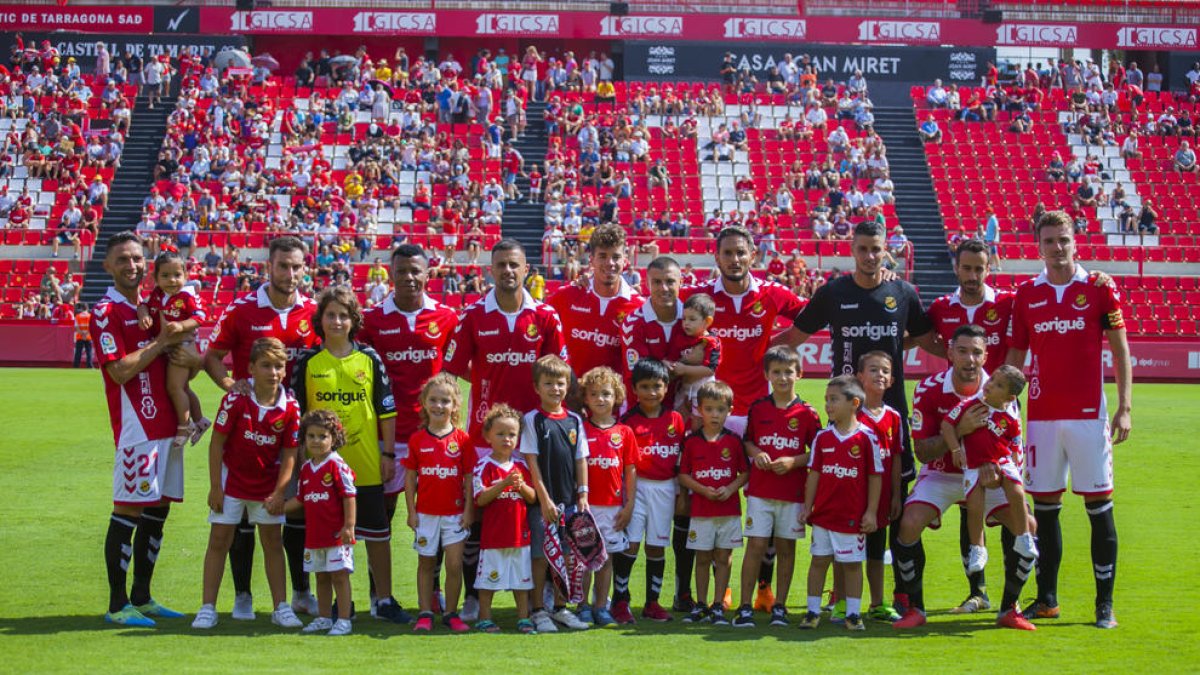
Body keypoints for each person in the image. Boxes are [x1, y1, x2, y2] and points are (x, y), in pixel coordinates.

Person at [1005, 210, 1131, 629]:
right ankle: (1047, 600)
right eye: (1049, 241)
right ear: (1037, 246)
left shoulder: (1098, 288)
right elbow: (1016, 359)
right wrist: (1005, 406)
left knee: (1099, 508)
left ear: (1075, 242)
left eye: (1063, 240)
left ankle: (1104, 605)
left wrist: (1125, 406)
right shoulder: (1026, 295)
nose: (1057, 248)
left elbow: (1119, 350)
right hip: (1041, 419)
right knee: (1045, 510)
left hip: (1087, 419)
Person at [443, 239, 566, 620]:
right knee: (477, 519)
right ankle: (471, 597)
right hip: (484, 436)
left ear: (527, 268)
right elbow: (453, 367)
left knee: (533, 517)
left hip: (532, 436)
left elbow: (560, 372)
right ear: (490, 270)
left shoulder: (545, 316)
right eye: (501, 265)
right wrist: (482, 381)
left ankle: (539, 598)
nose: (508, 271)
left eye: (514, 265)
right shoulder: (474, 315)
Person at [892, 325, 1038, 631]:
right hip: (944, 473)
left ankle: (1009, 608)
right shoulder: (929, 389)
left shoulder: (1005, 390)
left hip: (989, 476)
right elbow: (922, 452)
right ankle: (915, 608)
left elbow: (1015, 450)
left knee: (1028, 524)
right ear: (949, 353)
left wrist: (996, 471)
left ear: (985, 356)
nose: (969, 359)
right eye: (962, 351)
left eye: (976, 352)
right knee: (908, 524)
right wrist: (958, 432)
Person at [777, 221, 939, 492]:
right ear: (852, 250)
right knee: (845, 485)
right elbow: (794, 337)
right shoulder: (832, 293)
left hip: (892, 406)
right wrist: (748, 351)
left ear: (885, 250)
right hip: (845, 407)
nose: (869, 256)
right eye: (863, 249)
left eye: (876, 249)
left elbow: (926, 341)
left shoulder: (902, 293)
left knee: (897, 489)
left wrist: (974, 358)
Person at [205, 236, 319, 619]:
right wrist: (230, 386)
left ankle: (300, 591)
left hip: (297, 433)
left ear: (305, 269)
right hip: (248, 434)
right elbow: (212, 358)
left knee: (292, 512)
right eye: (283, 265)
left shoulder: (315, 313)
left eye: (297, 267)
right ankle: (242, 594)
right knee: (240, 518)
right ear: (268, 266)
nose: (290, 273)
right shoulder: (242, 311)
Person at [292, 286, 409, 624]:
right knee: (327, 536)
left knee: (377, 534)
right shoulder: (309, 361)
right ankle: (338, 607)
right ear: (321, 320)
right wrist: (302, 462)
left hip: (367, 462)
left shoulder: (369, 358)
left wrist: (388, 454)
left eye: (343, 315)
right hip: (321, 466)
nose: (337, 321)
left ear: (353, 320)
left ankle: (384, 600)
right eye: (330, 315)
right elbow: (299, 415)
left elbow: (386, 411)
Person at [93, 231, 192, 627]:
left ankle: (143, 597)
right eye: (122, 260)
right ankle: (118, 605)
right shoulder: (106, 311)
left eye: (136, 258)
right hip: (137, 425)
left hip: (168, 422)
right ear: (108, 266)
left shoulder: (154, 305)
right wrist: (161, 341)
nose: (131, 266)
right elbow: (118, 371)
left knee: (158, 511)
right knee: (128, 510)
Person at [358, 244, 458, 612]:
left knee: (432, 518)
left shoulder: (446, 317)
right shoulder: (372, 320)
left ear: (427, 273)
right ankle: (377, 595)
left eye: (416, 271)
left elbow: (458, 370)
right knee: (379, 519)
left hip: (430, 438)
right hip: (384, 439)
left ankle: (432, 594)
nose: (409, 278)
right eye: (402, 271)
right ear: (390, 272)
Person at [192, 338, 303, 630]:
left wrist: (280, 492)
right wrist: (215, 486)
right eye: (265, 365)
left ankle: (281, 607)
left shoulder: (290, 406)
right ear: (251, 368)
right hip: (232, 481)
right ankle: (207, 608)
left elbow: (290, 453)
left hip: (266, 484)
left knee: (272, 542)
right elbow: (217, 443)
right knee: (219, 539)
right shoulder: (236, 399)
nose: (273, 372)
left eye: (278, 366)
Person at [683, 226, 806, 435]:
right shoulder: (699, 295)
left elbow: (813, 316)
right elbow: (660, 307)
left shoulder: (772, 293)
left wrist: (774, 346)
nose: (735, 259)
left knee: (758, 467)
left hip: (758, 406)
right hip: (711, 408)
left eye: (740, 253)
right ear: (717, 258)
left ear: (753, 256)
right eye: (727, 253)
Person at [732, 346, 819, 628]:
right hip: (760, 491)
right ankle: (745, 605)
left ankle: (780, 605)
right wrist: (756, 452)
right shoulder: (758, 408)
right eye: (777, 372)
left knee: (786, 549)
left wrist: (794, 461)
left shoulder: (808, 413)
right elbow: (747, 441)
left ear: (799, 374)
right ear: (767, 374)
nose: (782, 378)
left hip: (792, 493)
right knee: (755, 545)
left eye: (788, 372)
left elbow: (817, 451)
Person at [796, 376, 882, 631]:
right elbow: (814, 475)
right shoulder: (822, 438)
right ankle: (812, 612)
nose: (828, 405)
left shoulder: (867, 438)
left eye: (834, 400)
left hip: (852, 516)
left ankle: (853, 614)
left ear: (854, 403)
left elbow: (874, 477)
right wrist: (807, 506)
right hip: (823, 515)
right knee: (819, 561)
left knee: (853, 565)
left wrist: (871, 513)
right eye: (826, 400)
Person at [942, 365, 1039, 575]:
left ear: (1010, 397)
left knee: (1018, 493)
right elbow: (947, 425)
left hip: (1001, 462)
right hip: (973, 465)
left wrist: (1011, 467)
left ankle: (1023, 538)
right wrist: (956, 449)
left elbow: (1014, 444)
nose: (990, 385)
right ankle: (978, 548)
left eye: (999, 385)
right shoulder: (969, 404)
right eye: (992, 379)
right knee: (974, 506)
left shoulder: (1010, 417)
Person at [519, 355, 592, 633]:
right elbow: (532, 463)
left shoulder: (574, 420)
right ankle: (538, 610)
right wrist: (545, 499)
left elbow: (580, 459)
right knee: (540, 557)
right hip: (543, 504)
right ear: (537, 387)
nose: (555, 389)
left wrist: (582, 494)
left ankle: (560, 608)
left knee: (566, 556)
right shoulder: (532, 420)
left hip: (570, 503)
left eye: (560, 383)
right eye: (548, 383)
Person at [611, 359, 686, 624]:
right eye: (645, 387)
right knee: (630, 544)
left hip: (665, 489)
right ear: (634, 389)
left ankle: (652, 602)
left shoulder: (675, 419)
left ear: (666, 387)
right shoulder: (628, 421)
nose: (651, 392)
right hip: (637, 487)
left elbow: (680, 461)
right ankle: (620, 600)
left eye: (657, 386)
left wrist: (680, 495)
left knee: (656, 546)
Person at [402, 374, 474, 633]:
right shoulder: (417, 439)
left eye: (445, 400)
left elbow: (469, 479)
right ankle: (424, 612)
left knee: (454, 564)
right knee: (426, 563)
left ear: (455, 405)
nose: (439, 405)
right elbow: (410, 478)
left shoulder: (463, 440)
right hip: (426, 516)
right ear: (424, 402)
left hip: (455, 515)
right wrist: (411, 511)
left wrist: (468, 511)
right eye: (433, 400)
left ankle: (452, 613)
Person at [678, 381, 748, 626]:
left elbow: (744, 473)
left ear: (729, 410)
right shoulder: (692, 441)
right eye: (709, 409)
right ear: (700, 410)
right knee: (702, 557)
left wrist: (730, 488)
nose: (714, 414)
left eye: (720, 409)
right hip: (702, 511)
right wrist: (702, 490)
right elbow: (683, 474)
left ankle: (718, 604)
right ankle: (701, 603)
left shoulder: (734, 441)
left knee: (723, 557)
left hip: (728, 511)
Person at [285, 410, 357, 636]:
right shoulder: (306, 468)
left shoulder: (337, 465)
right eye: (311, 436)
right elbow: (301, 499)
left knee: (339, 575)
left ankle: (344, 620)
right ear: (304, 439)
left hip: (336, 535)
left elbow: (349, 495)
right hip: (314, 535)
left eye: (322, 436)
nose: (316, 441)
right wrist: (277, 508)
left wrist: (349, 526)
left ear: (334, 438)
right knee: (321, 576)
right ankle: (324, 618)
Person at [578, 367, 638, 627]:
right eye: (594, 394)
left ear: (617, 397)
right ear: (586, 398)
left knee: (605, 559)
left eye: (606, 393)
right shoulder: (579, 428)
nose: (600, 399)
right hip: (586, 506)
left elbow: (630, 469)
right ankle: (581, 606)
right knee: (584, 560)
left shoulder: (624, 432)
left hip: (613, 507)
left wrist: (630, 505)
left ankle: (601, 606)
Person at [471, 404, 538, 634]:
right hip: (494, 537)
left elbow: (532, 498)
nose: (507, 439)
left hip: (520, 536)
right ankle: (485, 617)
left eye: (512, 434)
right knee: (488, 581)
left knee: (522, 582)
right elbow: (480, 499)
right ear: (488, 436)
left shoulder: (520, 465)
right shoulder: (484, 465)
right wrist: (503, 484)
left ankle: (523, 618)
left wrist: (521, 487)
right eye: (500, 434)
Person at [547, 224, 641, 378]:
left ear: (625, 261)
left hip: (612, 400)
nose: (610, 263)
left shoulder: (638, 306)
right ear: (592, 260)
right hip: (569, 398)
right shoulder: (566, 296)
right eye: (603, 256)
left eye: (616, 257)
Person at [138, 252, 208, 451]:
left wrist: (181, 325)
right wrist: (143, 314)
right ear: (155, 278)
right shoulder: (158, 295)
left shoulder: (187, 295)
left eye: (177, 275)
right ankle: (200, 420)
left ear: (185, 275)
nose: (172, 280)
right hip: (167, 346)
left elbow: (200, 316)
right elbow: (143, 305)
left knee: (174, 388)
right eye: (166, 276)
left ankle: (185, 426)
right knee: (182, 388)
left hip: (182, 345)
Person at [855, 352, 903, 623]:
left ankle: (876, 603)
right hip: (852, 495)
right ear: (860, 376)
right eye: (873, 370)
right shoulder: (849, 412)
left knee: (875, 551)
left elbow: (895, 457)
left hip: (882, 496)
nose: (879, 375)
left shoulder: (894, 417)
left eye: (885, 371)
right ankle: (841, 602)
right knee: (846, 552)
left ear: (892, 379)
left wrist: (896, 494)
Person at [668, 293, 720, 423]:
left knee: (699, 423)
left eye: (692, 319)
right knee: (676, 420)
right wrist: (667, 363)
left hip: (703, 389)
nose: (686, 323)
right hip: (683, 388)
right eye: (684, 319)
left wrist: (685, 369)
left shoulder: (711, 342)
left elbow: (710, 370)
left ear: (707, 321)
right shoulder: (680, 339)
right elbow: (671, 359)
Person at [73, 302, 93, 368]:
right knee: (89, 352)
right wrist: (86, 334)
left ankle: (76, 365)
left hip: (80, 336)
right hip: (88, 336)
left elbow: (76, 327)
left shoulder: (78, 316)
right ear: (87, 308)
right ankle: (89, 365)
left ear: (81, 308)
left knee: (78, 352)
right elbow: (91, 327)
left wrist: (82, 334)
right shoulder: (90, 316)